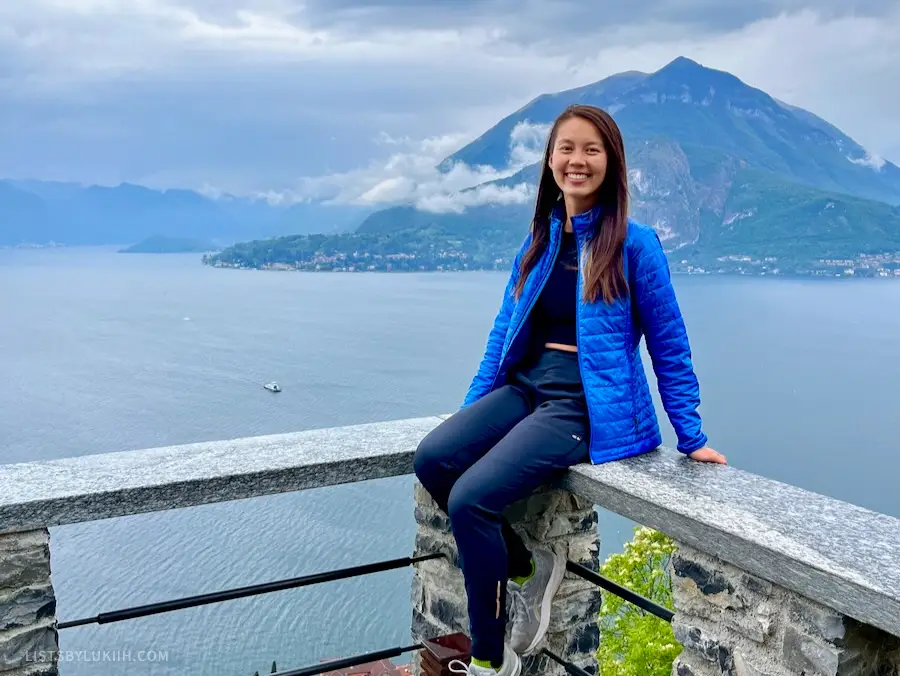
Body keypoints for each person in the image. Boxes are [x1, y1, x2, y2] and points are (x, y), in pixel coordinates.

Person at [413, 104, 726, 676]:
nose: (577, 160)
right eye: (567, 149)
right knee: (434, 459)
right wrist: (473, 413)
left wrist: (691, 434)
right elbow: (502, 334)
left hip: (585, 405)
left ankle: (489, 659)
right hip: (527, 386)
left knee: (470, 499)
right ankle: (525, 565)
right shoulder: (540, 240)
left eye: (591, 149)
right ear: (550, 160)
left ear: (611, 162)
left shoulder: (635, 244)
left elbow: (669, 342)